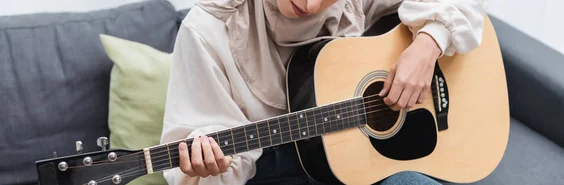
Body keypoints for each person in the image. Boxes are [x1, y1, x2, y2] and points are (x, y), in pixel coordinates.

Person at [159, 0, 487, 184]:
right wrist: (207, 166)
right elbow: (201, 145)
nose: (309, 4)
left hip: (361, 158)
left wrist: (430, 43)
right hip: (271, 168)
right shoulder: (208, 29)